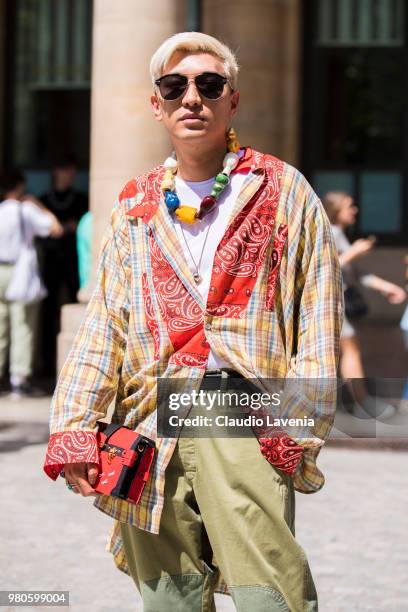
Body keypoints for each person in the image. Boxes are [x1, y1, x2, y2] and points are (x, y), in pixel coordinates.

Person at [43, 33, 343, 611]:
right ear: (156, 105)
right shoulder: (135, 202)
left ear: (233, 100)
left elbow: (317, 316)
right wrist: (75, 422)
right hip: (146, 422)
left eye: (209, 85)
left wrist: (299, 424)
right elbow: (105, 321)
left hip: (242, 411)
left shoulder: (282, 190)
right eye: (174, 87)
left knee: (270, 595)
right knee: (169, 598)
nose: (192, 99)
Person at [322, 191, 406, 419]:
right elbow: (326, 266)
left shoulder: (340, 234)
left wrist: (386, 287)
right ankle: (362, 404)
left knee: (341, 353)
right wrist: (354, 252)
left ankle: (351, 403)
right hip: (331, 304)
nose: (354, 210)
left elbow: (356, 273)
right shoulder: (330, 231)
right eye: (349, 206)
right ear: (336, 210)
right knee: (350, 351)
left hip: (337, 305)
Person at [0, 169, 62, 396]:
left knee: (1, 326)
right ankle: (19, 378)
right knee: (22, 325)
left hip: (0, 269)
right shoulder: (25, 210)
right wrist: (39, 205)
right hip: (18, 272)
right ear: (19, 187)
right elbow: (55, 228)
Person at [38, 155, 88, 376]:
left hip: (73, 261)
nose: (69, 175)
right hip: (51, 261)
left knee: (75, 305)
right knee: (48, 311)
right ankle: (47, 362)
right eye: (65, 170)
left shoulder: (80, 199)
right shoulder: (44, 200)